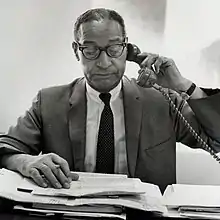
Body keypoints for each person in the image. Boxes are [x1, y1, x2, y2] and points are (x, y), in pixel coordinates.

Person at [0, 8, 220, 193]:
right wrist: (25, 162)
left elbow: (215, 141)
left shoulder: (163, 100)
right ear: (77, 51)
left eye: (114, 49)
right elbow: (5, 148)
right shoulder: (48, 102)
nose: (104, 63)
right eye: (91, 50)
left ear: (128, 50)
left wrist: (183, 85)